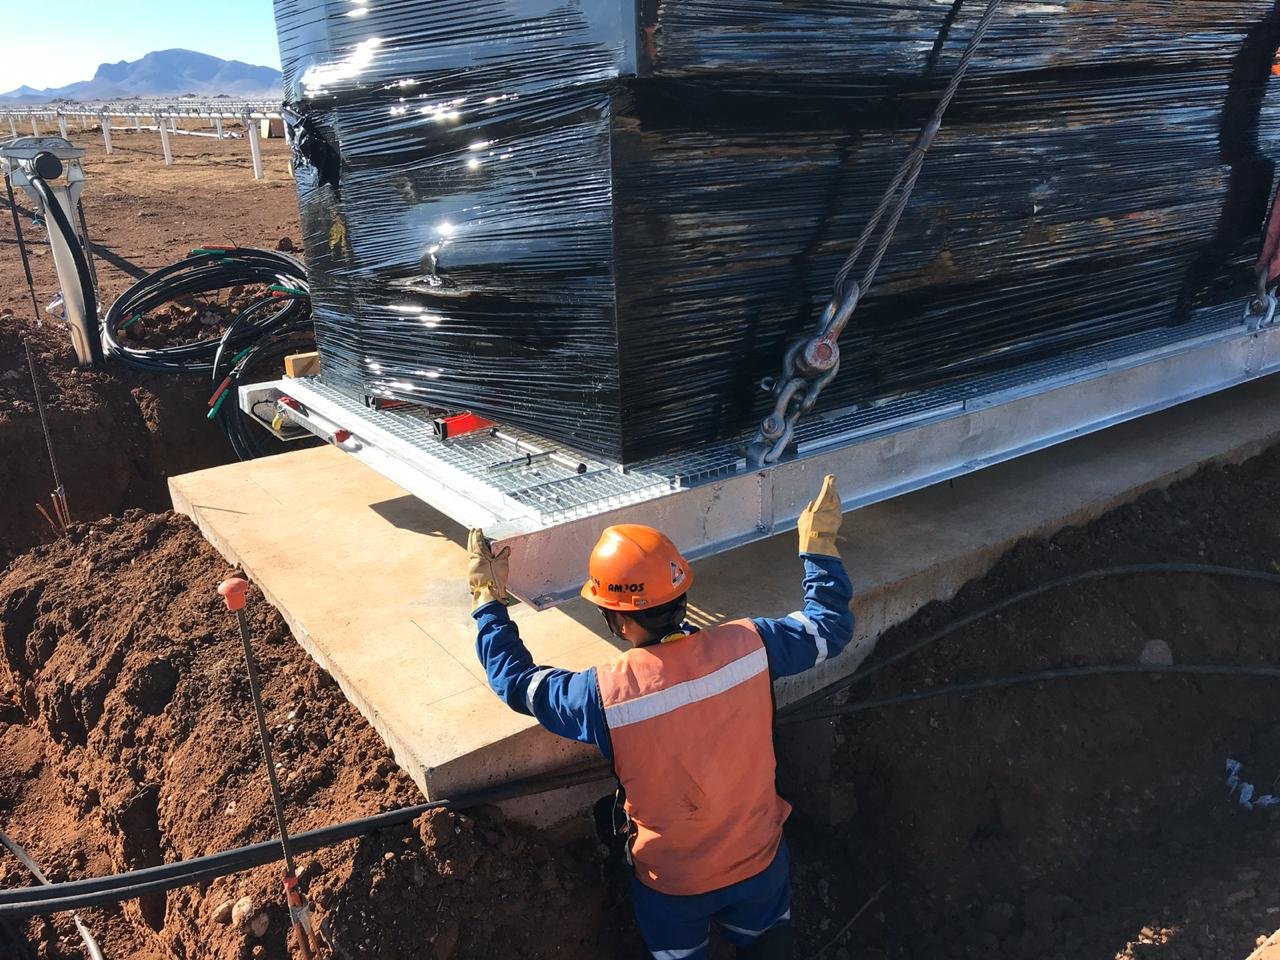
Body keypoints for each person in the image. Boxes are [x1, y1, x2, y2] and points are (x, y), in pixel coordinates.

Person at [467, 474, 854, 960]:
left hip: (674, 887)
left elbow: (516, 682)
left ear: (617, 620)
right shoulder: (750, 644)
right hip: (759, 864)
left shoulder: (601, 694)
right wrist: (818, 546)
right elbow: (827, 629)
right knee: (769, 948)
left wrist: (487, 599)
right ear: (682, 595)